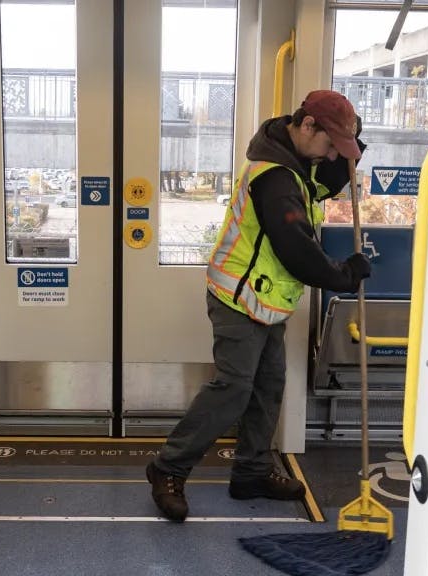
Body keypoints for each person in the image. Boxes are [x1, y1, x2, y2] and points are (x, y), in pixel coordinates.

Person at [146, 90, 372, 522]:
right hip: (238, 298)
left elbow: (325, 183)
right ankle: (167, 468)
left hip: (266, 299)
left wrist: (351, 144)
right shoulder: (275, 178)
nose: (330, 155)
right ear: (307, 126)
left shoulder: (296, 163)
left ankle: (250, 471)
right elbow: (296, 250)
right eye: (329, 144)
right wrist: (345, 274)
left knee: (268, 387)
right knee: (234, 389)